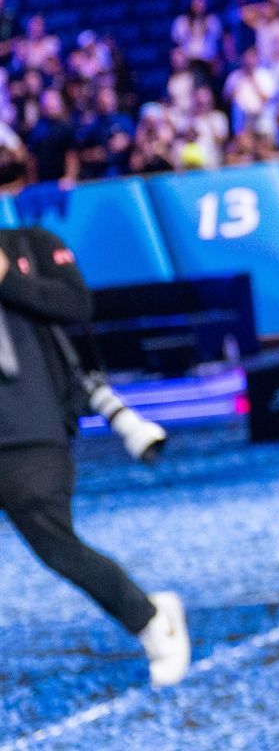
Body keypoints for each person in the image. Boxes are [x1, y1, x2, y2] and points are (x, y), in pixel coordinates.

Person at [0, 221, 190, 687]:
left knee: (56, 545)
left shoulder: (31, 243)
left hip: (27, 427)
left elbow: (76, 305)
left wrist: (8, 279)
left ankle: (150, 618)